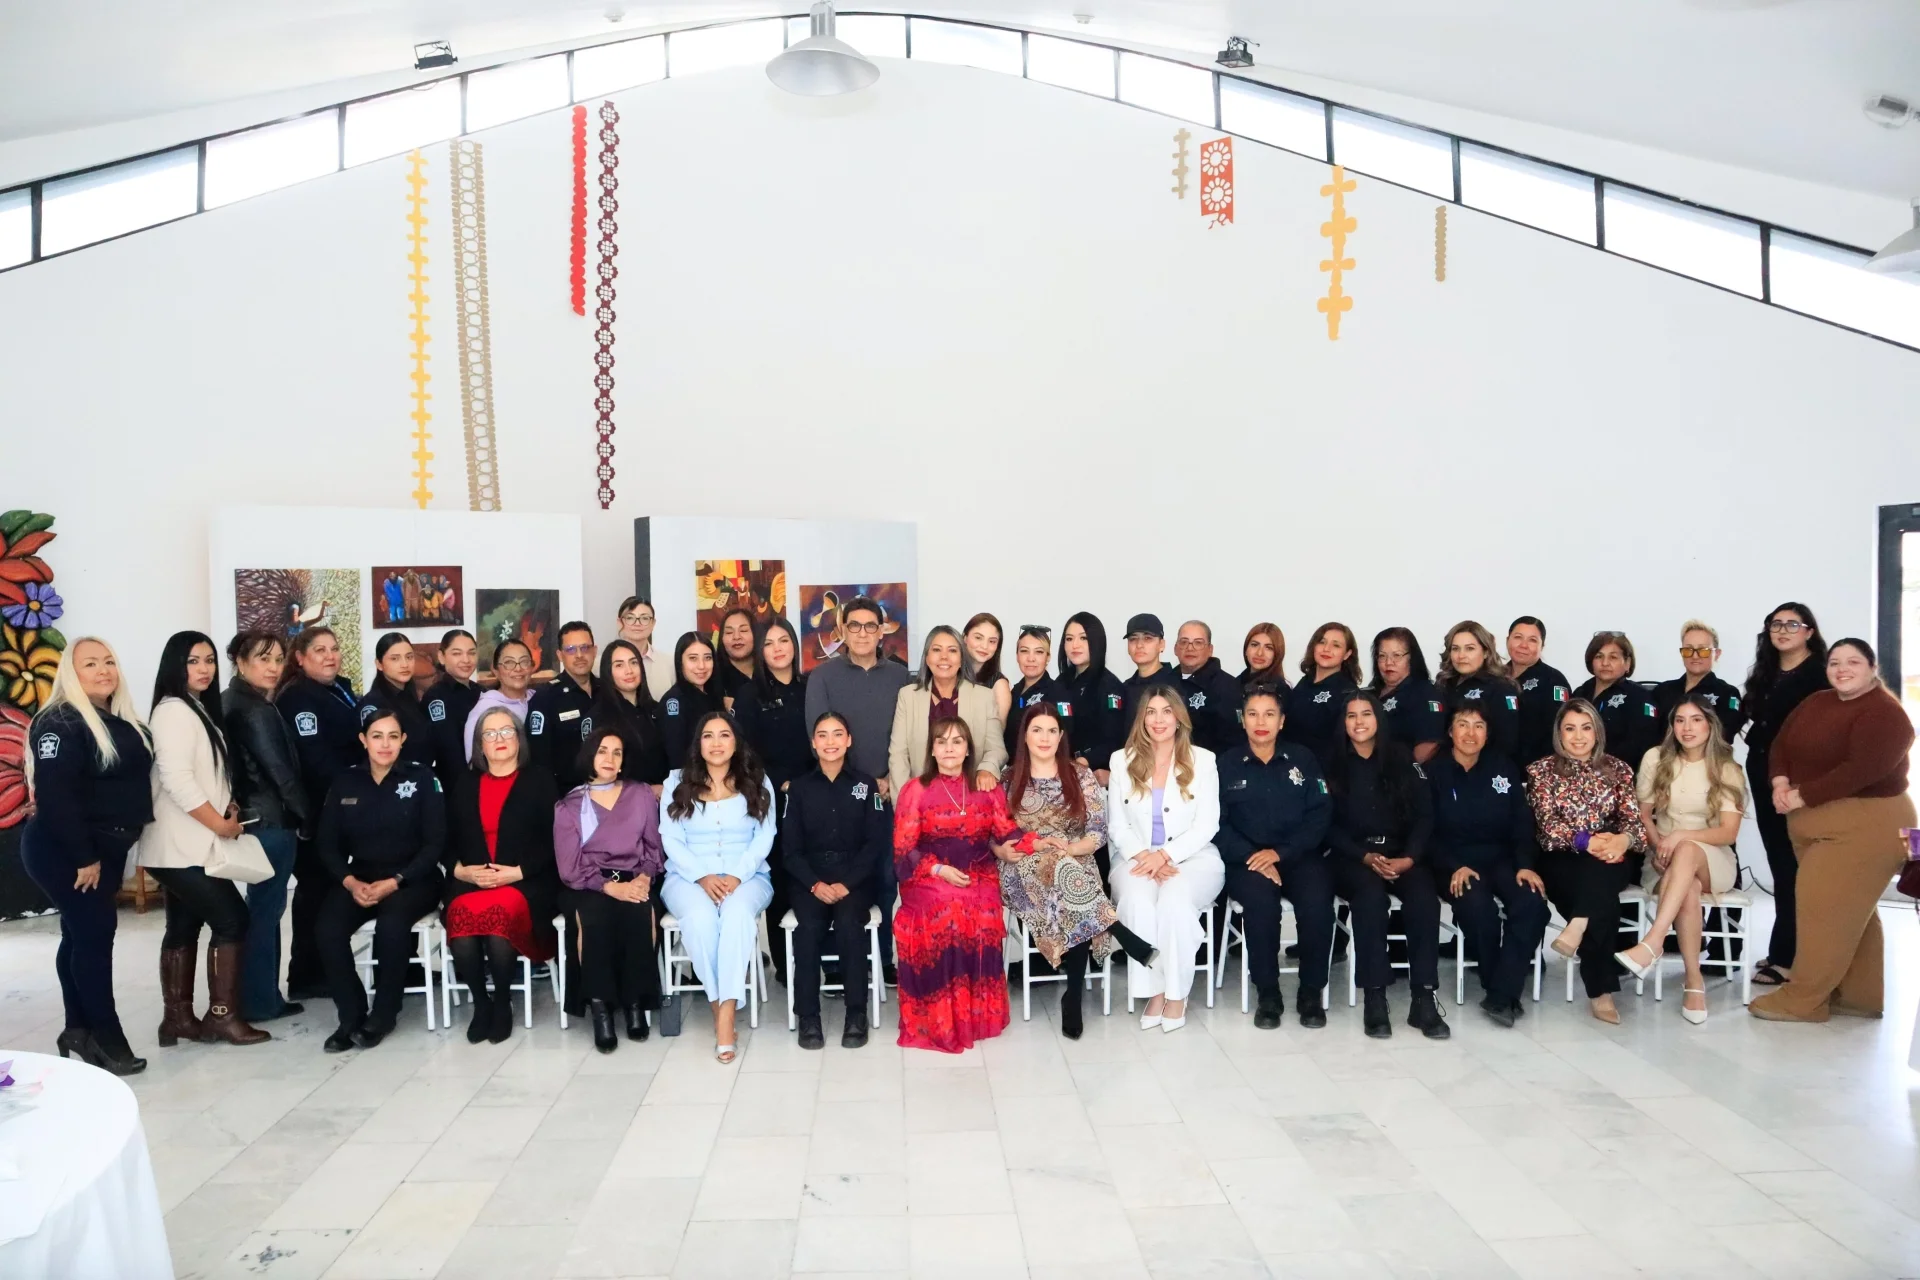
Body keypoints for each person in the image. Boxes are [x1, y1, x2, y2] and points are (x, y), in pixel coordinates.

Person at [1751, 639, 1916, 1023]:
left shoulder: (1886, 714)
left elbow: (1861, 770)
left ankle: (1804, 998)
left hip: (1866, 827)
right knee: (1852, 913)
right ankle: (1859, 995)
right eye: (1835, 662)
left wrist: (1802, 795)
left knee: (1821, 908)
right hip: (1815, 827)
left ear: (1872, 667)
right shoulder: (1817, 703)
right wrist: (1778, 781)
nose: (1842, 669)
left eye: (1853, 662)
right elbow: (1781, 744)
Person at [21, 638, 153, 1074]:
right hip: (67, 849)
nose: (103, 670)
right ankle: (106, 1038)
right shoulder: (60, 721)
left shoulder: (118, 720)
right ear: (70, 673)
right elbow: (55, 796)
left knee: (79, 936)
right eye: (90, 663)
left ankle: (77, 1029)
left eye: (110, 661)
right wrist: (84, 858)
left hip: (104, 849)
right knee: (95, 939)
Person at [139, 631, 270, 1049]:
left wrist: (226, 804)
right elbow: (177, 781)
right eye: (193, 661)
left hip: (186, 843)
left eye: (210, 660)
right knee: (233, 919)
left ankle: (176, 1019)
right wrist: (220, 824)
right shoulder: (173, 711)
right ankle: (223, 1016)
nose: (204, 669)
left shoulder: (193, 708)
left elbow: (204, 774)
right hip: (179, 844)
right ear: (175, 666)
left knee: (183, 925)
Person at [1000, 704, 1157, 1039]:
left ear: (1061, 737)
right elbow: (997, 834)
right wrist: (1015, 849)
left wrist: (1067, 849)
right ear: (1024, 736)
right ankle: (1117, 933)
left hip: (1075, 858)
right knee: (1067, 876)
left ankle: (1073, 994)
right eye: (1037, 730)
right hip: (1023, 866)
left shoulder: (1080, 775)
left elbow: (1098, 831)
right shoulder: (1009, 777)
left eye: (1052, 731)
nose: (1045, 738)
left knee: (1068, 878)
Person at [314, 706, 445, 1051]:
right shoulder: (346, 781)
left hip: (414, 878)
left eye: (392, 736)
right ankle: (351, 1014)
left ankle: (384, 1014)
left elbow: (435, 844)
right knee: (327, 929)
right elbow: (326, 845)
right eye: (376, 736)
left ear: (403, 741)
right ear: (363, 740)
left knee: (392, 926)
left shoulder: (421, 779)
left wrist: (397, 880)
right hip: (362, 877)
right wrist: (350, 882)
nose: (384, 744)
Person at [1613, 697, 1746, 1025]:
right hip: (1661, 858)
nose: (1687, 728)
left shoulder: (1726, 767)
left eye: (1696, 720)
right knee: (1687, 886)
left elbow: (1728, 832)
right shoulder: (1655, 758)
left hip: (1713, 859)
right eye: (1680, 720)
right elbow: (1643, 816)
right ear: (1671, 727)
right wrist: (1661, 847)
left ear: (1710, 725)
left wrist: (1677, 839)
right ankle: (1694, 981)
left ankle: (1654, 941)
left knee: (1686, 851)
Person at [804, 595, 915, 977]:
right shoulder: (822, 677)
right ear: (842, 631)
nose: (863, 633)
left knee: (885, 876)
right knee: (838, 874)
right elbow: (819, 735)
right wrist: (862, 784)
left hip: (890, 793)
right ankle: (837, 964)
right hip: (841, 793)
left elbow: (910, 736)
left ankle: (883, 959)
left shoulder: (902, 677)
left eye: (871, 625)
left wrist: (889, 781)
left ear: (883, 630)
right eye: (855, 626)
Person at [1325, 690, 1446, 1039]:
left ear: (1378, 718)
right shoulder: (1331, 763)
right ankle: (1375, 997)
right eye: (1351, 715)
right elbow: (1325, 824)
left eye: (1366, 714)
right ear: (1343, 722)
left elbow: (1425, 816)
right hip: (1354, 857)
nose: (1359, 722)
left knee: (1424, 900)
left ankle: (1424, 998)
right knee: (1370, 900)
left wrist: (1409, 857)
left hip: (1402, 855)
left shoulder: (1402, 759)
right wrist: (1363, 856)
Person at [893, 717, 1017, 1051]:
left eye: (957, 741)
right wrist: (938, 870)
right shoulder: (915, 790)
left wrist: (1025, 846)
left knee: (980, 906)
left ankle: (975, 1018)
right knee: (949, 907)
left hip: (979, 870)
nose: (949, 748)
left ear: (967, 750)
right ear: (931, 749)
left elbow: (1007, 832)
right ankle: (940, 1019)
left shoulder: (984, 787)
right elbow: (905, 849)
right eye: (942, 741)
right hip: (927, 876)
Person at [659, 712, 777, 1063]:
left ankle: (725, 1013)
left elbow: (764, 837)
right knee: (699, 918)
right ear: (698, 743)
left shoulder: (758, 780)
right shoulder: (675, 783)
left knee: (738, 915)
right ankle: (719, 1006)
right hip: (687, 877)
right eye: (707, 736)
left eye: (724, 735)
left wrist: (738, 876)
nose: (716, 743)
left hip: (749, 876)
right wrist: (702, 876)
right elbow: (671, 839)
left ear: (736, 741)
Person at [1216, 687, 1334, 1029]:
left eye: (1269, 714)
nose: (1261, 722)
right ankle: (1268, 992)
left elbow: (1320, 814)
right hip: (1247, 859)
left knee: (1316, 903)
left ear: (1282, 722)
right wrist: (1253, 855)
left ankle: (1311, 991)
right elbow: (1215, 822)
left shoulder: (1303, 758)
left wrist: (1281, 853)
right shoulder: (1226, 763)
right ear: (1243, 720)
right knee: (1261, 905)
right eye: (1253, 713)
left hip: (1297, 855)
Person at [1107, 689, 1224, 1032]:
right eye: (1151, 712)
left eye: (1167, 712)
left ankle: (1177, 994)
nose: (1159, 720)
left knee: (1174, 901)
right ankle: (1154, 990)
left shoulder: (1203, 760)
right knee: (1136, 901)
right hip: (1136, 857)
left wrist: (1165, 855)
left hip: (1192, 857)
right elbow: (1117, 824)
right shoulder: (1121, 760)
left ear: (1179, 718)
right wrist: (1146, 856)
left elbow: (1208, 824)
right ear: (1141, 719)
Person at [1427, 704, 1548, 1027]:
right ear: (1450, 732)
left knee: (1532, 903)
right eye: (1462, 725)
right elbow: (1425, 831)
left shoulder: (1502, 768)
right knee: (1478, 907)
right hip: (1454, 863)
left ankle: (1500, 992)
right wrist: (1453, 865)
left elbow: (1522, 823)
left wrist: (1524, 864)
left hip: (1502, 860)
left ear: (1487, 732)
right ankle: (1503, 990)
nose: (1470, 733)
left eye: (1478, 725)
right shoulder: (1432, 772)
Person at [445, 708, 560, 1045]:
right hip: (472, 879)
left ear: (519, 739)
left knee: (499, 919)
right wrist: (461, 870)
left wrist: (517, 872)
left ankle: (502, 1003)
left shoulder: (539, 779)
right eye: (490, 734)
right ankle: (482, 1003)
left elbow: (555, 839)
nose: (499, 740)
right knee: (462, 917)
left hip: (526, 880)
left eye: (507, 732)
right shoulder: (465, 782)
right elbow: (444, 838)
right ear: (479, 744)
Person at [1528, 699, 1647, 1024]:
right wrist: (1586, 841)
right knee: (1603, 903)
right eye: (1570, 728)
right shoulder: (1541, 771)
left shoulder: (1619, 769)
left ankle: (1578, 924)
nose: (1578, 736)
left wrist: (1622, 840)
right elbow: (1548, 827)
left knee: (1602, 870)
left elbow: (1634, 823)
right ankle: (1601, 991)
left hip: (1613, 855)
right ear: (1559, 733)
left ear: (1597, 731)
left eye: (1586, 728)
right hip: (1561, 858)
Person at [783, 711, 888, 1049]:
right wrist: (815, 884)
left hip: (853, 878)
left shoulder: (865, 785)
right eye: (823, 735)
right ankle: (808, 1017)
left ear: (849, 740)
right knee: (809, 928)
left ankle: (855, 1012)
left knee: (847, 924)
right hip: (809, 879)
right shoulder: (798, 788)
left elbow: (875, 844)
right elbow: (790, 850)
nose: (831, 742)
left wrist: (847, 883)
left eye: (837, 734)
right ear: (813, 744)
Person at [555, 727, 664, 1052]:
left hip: (634, 876)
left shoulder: (640, 794)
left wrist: (645, 877)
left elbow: (653, 847)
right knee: (596, 919)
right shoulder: (570, 806)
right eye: (603, 750)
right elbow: (569, 866)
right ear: (590, 755)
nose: (610, 758)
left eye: (617, 753)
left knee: (640, 912)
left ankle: (634, 1005)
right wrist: (608, 888)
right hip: (587, 882)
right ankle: (601, 1008)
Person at [222, 631, 309, 1022]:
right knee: (266, 911)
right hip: (271, 820)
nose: (273, 667)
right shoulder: (255, 709)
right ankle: (260, 1001)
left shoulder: (235, 700)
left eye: (277, 659)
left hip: (254, 817)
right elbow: (281, 773)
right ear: (240, 662)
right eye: (263, 659)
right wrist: (308, 817)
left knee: (261, 910)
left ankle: (258, 996)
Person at [1741, 602, 1828, 989]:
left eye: (1793, 624)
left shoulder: (1821, 674)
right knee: (1781, 864)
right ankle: (1785, 948)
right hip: (1763, 774)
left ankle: (1790, 956)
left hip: (1798, 782)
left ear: (1809, 631)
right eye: (1776, 624)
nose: (1783, 630)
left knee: (1798, 867)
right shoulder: (1766, 673)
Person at [277, 626, 359, 1000]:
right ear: (300, 657)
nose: (330, 656)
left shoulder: (336, 689)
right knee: (314, 892)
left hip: (340, 809)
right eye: (320, 650)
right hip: (318, 812)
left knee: (325, 891)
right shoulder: (299, 698)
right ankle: (306, 975)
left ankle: (318, 968)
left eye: (335, 648)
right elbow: (317, 761)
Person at [734, 616, 809, 984]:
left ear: (795, 645)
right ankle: (786, 965)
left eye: (784, 640)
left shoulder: (811, 686)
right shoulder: (751, 695)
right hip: (772, 797)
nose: (778, 648)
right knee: (780, 875)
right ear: (760, 652)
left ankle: (816, 956)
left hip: (812, 796)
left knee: (811, 872)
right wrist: (777, 785)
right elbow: (746, 754)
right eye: (769, 643)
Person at [889, 625, 1008, 796]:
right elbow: (898, 755)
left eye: (952, 650)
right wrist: (905, 802)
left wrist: (987, 769)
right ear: (927, 658)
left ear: (961, 658)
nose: (944, 657)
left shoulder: (984, 697)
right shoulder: (908, 696)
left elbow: (996, 749)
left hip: (969, 799)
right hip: (922, 800)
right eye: (936, 650)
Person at [528, 621, 599, 794]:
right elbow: (539, 762)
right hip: (566, 797)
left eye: (585, 648)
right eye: (571, 649)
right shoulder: (545, 698)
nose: (579, 655)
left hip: (609, 794)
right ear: (560, 655)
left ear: (595, 651)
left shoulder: (609, 692)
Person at [1435, 621, 1520, 762]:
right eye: (1455, 649)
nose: (1461, 655)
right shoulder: (1443, 684)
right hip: (1443, 768)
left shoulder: (1501, 688)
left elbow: (1506, 743)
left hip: (1482, 770)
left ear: (1486, 652)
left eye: (1469, 649)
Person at [1574, 631, 1660, 771]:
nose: (1605, 663)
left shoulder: (1640, 697)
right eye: (1599, 656)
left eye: (1613, 657)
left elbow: (1642, 746)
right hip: (1578, 774)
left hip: (1620, 776)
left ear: (1627, 663)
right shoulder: (1580, 693)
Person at [590, 640, 670, 790]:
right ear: (608, 672)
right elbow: (599, 773)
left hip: (665, 801)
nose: (629, 671)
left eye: (634, 663)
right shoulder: (600, 717)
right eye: (619, 665)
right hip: (624, 803)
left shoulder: (657, 709)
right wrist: (646, 791)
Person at [1059, 613, 1127, 787]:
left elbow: (1113, 740)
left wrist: (1083, 762)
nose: (1075, 645)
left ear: (1097, 642)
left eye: (1083, 638)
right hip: (1060, 773)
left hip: (1094, 778)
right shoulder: (1060, 682)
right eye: (1069, 638)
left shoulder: (1109, 686)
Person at [1651, 621, 1748, 740]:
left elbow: (1725, 735)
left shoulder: (1727, 694)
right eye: (1688, 649)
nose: (1695, 656)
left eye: (1703, 650)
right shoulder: (1662, 691)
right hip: (1664, 756)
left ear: (1717, 654)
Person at [1285, 622, 1362, 765]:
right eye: (1322, 642)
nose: (1326, 649)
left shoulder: (1347, 692)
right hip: (1287, 764)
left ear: (1347, 654)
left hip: (1321, 772)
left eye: (1336, 645)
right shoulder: (1304, 683)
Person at [1369, 626, 1443, 764]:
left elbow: (1429, 745)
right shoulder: (1368, 693)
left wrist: (1404, 773)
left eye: (1396, 655)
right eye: (1382, 656)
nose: (1388, 663)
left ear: (1411, 658)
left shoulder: (1425, 693)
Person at [360, 634, 435, 770]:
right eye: (395, 658)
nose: (404, 664)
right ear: (379, 664)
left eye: (409, 657)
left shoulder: (411, 697)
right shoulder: (374, 704)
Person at [421, 629, 482, 795]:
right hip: (457, 789)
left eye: (471, 653)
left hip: (485, 782)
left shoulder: (482, 692)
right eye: (457, 653)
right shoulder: (436, 697)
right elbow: (449, 751)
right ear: (441, 657)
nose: (466, 660)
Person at [1505, 616, 1572, 765]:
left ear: (1542, 646)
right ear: (1507, 640)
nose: (1523, 645)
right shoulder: (1495, 677)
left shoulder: (1553, 681)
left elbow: (1559, 731)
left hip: (1538, 770)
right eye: (1518, 637)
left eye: (1532, 640)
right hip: (1497, 768)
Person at [1172, 620, 1244, 755]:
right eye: (1184, 642)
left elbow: (1234, 741)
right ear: (1175, 649)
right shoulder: (1165, 683)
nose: (1190, 648)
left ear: (1210, 650)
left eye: (1198, 642)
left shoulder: (1227, 687)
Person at [661, 632, 728, 765]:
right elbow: (676, 757)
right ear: (680, 662)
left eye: (707, 658)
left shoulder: (714, 695)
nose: (701, 666)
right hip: (689, 780)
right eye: (693, 658)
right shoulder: (674, 700)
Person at [462, 639, 536, 756]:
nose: (518, 669)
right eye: (509, 663)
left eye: (524, 662)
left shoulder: (540, 700)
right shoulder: (484, 709)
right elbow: (474, 759)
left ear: (532, 667)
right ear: (495, 670)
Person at [615, 596, 673, 700]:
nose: (637, 623)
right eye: (630, 618)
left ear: (653, 623)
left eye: (644, 618)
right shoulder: (601, 663)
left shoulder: (670, 663)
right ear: (620, 623)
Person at [1007, 625, 1067, 726]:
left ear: (1048, 657)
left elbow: (1065, 734)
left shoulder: (1059, 693)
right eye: (1024, 651)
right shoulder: (1014, 691)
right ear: (1017, 656)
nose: (1031, 658)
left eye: (1038, 652)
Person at [962, 612, 1014, 728]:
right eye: (978, 638)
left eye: (992, 641)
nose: (984, 646)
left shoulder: (999, 684)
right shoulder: (951, 675)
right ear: (965, 638)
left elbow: (997, 734)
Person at [1120, 613, 1177, 705]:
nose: (1139, 645)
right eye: (1133, 639)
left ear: (1161, 644)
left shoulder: (1176, 685)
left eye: (1147, 638)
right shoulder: (1124, 689)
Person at [715, 606, 758, 702]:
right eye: (729, 632)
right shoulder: (713, 678)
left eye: (743, 630)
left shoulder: (770, 672)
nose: (736, 637)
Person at [1237, 623, 1288, 700]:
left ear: (1277, 654)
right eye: (1254, 645)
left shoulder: (1281, 693)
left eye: (1269, 648)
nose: (1259, 653)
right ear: (1246, 650)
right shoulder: (1232, 685)